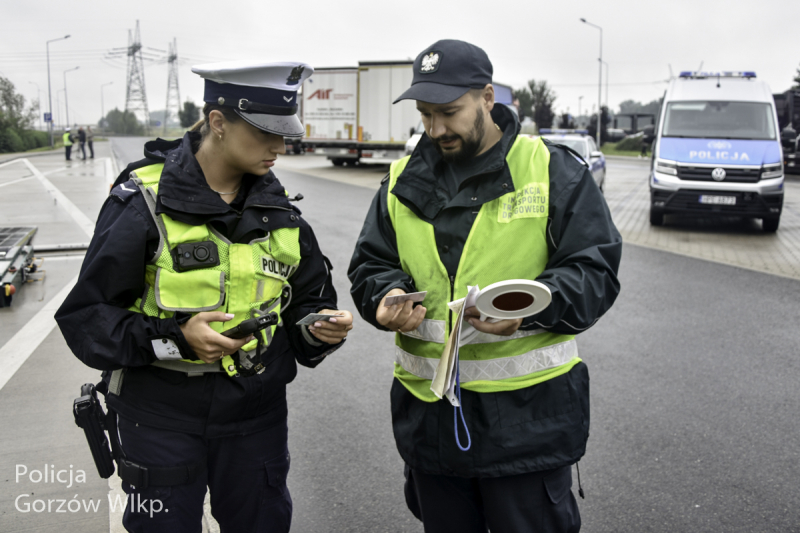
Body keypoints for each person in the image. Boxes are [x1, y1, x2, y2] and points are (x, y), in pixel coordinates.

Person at [56, 61, 353, 532]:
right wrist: (175, 338)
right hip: (159, 419)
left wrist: (319, 329)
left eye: (285, 133)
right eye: (265, 132)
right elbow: (87, 318)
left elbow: (306, 304)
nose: (280, 146)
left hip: (257, 417)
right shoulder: (141, 203)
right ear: (218, 122)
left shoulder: (283, 214)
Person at [348, 39, 622, 533]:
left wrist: (531, 306)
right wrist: (383, 296)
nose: (435, 129)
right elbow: (371, 263)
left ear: (487, 98)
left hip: (527, 427)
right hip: (432, 428)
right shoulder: (401, 180)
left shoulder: (551, 170)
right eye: (425, 114)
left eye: (448, 112)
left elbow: (595, 270)